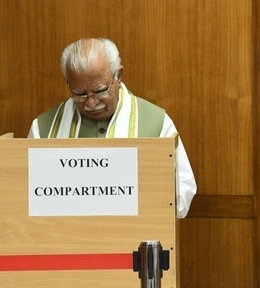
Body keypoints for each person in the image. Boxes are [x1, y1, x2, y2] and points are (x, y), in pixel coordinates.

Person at [28, 37, 196, 218]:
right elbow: (25, 197)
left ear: (119, 75)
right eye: (79, 94)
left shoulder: (157, 123)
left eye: (100, 91)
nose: (91, 103)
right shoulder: (43, 128)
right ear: (68, 83)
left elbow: (182, 197)